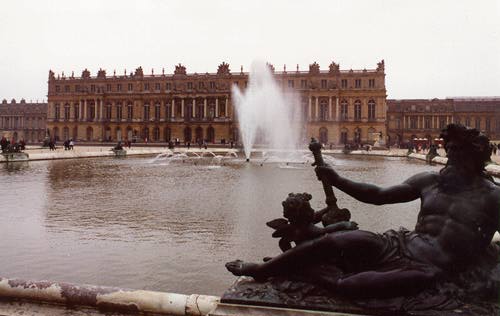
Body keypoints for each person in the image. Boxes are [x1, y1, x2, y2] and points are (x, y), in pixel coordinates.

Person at [226, 124, 500, 298]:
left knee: (350, 286)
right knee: (335, 240)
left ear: (473, 157)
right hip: (399, 243)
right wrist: (338, 180)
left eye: (455, 153)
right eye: (448, 151)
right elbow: (378, 196)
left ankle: (302, 271)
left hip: (430, 268)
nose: (448, 158)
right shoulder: (431, 181)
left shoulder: (493, 197)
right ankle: (263, 269)